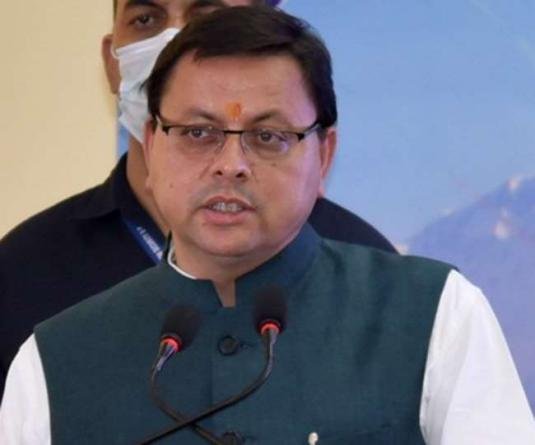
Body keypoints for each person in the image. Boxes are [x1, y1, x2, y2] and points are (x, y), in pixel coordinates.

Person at [1, 7, 533, 444]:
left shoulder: (436, 315)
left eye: (268, 136)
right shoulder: (54, 360)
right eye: (198, 132)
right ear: (153, 144)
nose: (230, 164)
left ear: (324, 155)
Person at [0, 0, 395, 397]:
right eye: (145, 19)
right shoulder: (21, 273)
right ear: (111, 61)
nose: (173, 39)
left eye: (208, 17)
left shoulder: (378, 287)